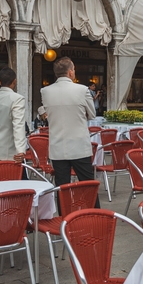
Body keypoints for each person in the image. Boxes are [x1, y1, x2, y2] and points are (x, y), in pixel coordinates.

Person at [41, 57, 99, 207]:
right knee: (88, 185)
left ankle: (64, 220)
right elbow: (92, 114)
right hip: (79, 145)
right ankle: (95, 216)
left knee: (62, 188)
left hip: (58, 145)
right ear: (71, 72)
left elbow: (46, 111)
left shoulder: (45, 91)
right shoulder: (82, 90)